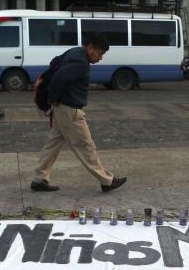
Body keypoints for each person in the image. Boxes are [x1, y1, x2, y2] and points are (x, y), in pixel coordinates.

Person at [30, 34, 127, 193]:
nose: (100, 58)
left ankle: (39, 179)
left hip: (62, 108)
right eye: (99, 53)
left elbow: (54, 65)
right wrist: (53, 99)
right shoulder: (81, 63)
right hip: (69, 110)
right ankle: (106, 181)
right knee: (85, 145)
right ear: (90, 48)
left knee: (53, 144)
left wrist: (54, 101)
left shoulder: (74, 52)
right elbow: (59, 78)